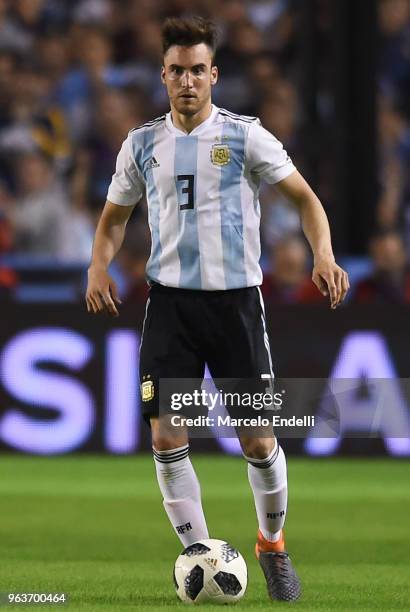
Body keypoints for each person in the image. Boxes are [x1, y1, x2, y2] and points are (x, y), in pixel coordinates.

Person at [86, 17, 349, 602]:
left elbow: (307, 200)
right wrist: (98, 264)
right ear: (163, 74)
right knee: (165, 436)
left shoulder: (247, 136)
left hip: (235, 306)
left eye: (197, 70)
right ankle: (201, 554)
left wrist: (323, 255)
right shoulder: (143, 143)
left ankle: (272, 545)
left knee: (257, 440)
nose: (187, 80)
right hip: (170, 306)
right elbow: (113, 218)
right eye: (177, 70)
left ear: (214, 75)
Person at [353, 229, 410, 303]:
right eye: (383, 256)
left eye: (393, 254)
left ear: (403, 255)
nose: (389, 261)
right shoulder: (364, 289)